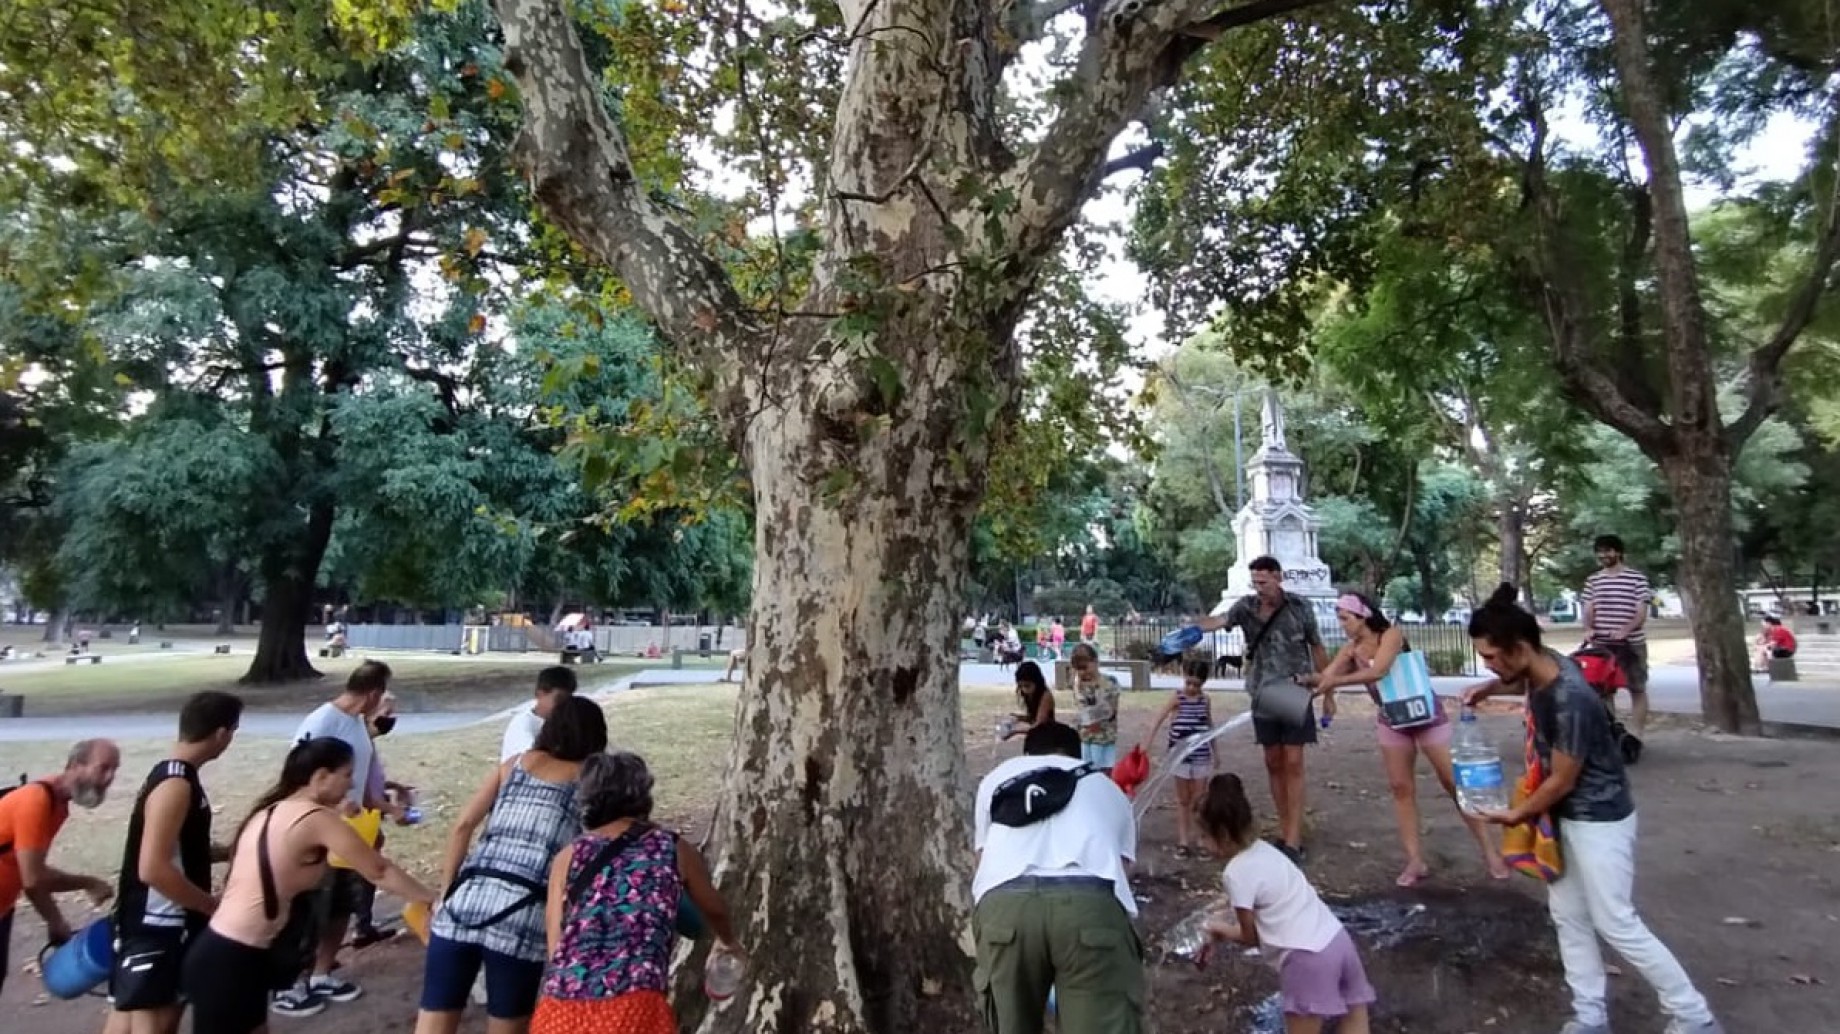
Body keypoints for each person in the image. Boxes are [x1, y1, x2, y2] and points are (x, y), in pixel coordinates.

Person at [1463, 584, 1725, 1034]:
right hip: (1564, 815)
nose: (1488, 663)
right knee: (1569, 916)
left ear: (1520, 648)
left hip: (1599, 819)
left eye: (1491, 657)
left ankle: (1694, 1016)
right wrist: (1488, 687)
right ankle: (1589, 1016)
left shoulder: (1571, 699)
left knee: (1617, 922)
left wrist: (1516, 815)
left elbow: (1562, 779)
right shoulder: (1545, 665)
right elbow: (1521, 679)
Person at [181, 739, 437, 1034]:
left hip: (228, 952)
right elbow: (379, 870)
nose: (352, 783)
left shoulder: (273, 810)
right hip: (231, 959)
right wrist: (432, 898)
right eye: (347, 774)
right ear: (321, 776)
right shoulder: (315, 819)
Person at [416, 696, 610, 1034]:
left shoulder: (514, 764)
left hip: (464, 903)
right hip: (524, 914)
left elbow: (463, 825)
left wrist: (447, 892)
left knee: (434, 1019)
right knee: (507, 1025)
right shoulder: (590, 783)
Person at [1302, 594, 1509, 885]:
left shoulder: (1391, 635)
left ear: (1363, 616)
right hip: (1392, 719)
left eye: (1345, 618)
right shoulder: (1351, 650)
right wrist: (1306, 681)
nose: (1341, 625)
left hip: (1425, 714)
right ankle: (1414, 860)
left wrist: (1335, 681)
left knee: (1453, 783)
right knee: (1401, 788)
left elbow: (1379, 670)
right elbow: (1326, 676)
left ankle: (1490, 853)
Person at [530, 753, 740, 1034]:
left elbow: (556, 943)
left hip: (560, 1009)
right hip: (634, 1008)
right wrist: (728, 941)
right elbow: (713, 908)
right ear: (643, 795)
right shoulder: (671, 848)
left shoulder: (567, 857)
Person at [971, 721, 1140, 1034]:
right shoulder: (1108, 788)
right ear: (1078, 756)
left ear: (1027, 753)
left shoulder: (997, 778)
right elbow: (1122, 867)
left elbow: (983, 857)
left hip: (1005, 908)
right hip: (1089, 908)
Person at [105, 693, 244, 1034]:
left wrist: (229, 851)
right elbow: (152, 867)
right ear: (221, 733)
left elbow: (178, 849)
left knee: (128, 1016)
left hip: (162, 922)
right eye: (233, 732)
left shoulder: (178, 777)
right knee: (154, 1021)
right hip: (159, 924)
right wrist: (209, 905)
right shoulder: (175, 785)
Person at [1196, 774, 1374, 1034]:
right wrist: (1226, 908)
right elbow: (1269, 895)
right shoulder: (1266, 850)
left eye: (1204, 836)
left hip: (1306, 957)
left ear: (1222, 834)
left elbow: (1250, 937)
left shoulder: (1234, 873)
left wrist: (1217, 929)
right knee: (1355, 1018)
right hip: (1337, 941)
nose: (1201, 843)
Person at [1196, 555, 1328, 864]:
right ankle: (1284, 825)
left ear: (1278, 578)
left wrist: (1328, 687)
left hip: (1294, 688)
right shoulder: (1246, 607)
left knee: (1293, 761)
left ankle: (1294, 838)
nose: (1259, 588)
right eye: (1255, 582)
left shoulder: (1300, 607)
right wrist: (1194, 627)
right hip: (1263, 690)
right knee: (1273, 761)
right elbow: (1220, 621)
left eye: (1264, 582)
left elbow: (1317, 646)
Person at [281, 659, 392, 1014]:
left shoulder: (359, 724)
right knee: (313, 906)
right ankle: (291, 984)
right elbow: (295, 775)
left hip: (350, 830)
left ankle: (321, 972)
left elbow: (362, 780)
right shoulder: (322, 722)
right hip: (319, 830)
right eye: (382, 695)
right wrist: (335, 803)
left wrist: (386, 806)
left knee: (342, 903)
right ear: (372, 693)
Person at [0, 739, 119, 998]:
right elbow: (33, 879)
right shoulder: (36, 801)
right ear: (75, 765)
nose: (109, 778)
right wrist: (57, 919)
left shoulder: (57, 805)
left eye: (114, 770)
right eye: (103, 768)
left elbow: (31, 871)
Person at [1139, 661, 1218, 857]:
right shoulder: (1177, 698)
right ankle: (1183, 841)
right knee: (1183, 799)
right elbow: (1158, 719)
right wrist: (1147, 742)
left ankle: (1201, 838)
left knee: (1199, 799)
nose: (1191, 688)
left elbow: (1210, 726)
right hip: (1180, 757)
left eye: (1196, 685)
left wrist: (1215, 751)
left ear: (1203, 683)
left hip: (1200, 756)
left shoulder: (1205, 700)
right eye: (1188, 683)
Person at [1582, 535, 1651, 736]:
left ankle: (1636, 735)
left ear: (1618, 552)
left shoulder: (1636, 578)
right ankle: (1611, 734)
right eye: (1600, 551)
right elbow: (1588, 608)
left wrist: (1625, 630)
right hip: (1602, 646)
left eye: (1608, 550)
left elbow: (1641, 611)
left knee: (1637, 688)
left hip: (1631, 644)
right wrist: (1588, 628)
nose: (1603, 555)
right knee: (1603, 691)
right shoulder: (1593, 580)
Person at [501, 666, 581, 762]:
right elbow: (536, 762)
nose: (563, 706)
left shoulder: (563, 721)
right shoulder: (522, 727)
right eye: (559, 700)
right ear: (539, 694)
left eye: (568, 701)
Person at [1068, 643, 1121, 773]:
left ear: (1095, 662)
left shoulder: (1110, 682)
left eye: (1085, 667)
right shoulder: (1078, 684)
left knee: (1104, 770)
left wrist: (1098, 717)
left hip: (1104, 736)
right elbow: (1080, 706)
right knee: (1087, 770)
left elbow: (1112, 709)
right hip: (1086, 736)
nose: (1082, 672)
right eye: (1078, 669)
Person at [1001, 661, 1056, 741]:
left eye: (1027, 686)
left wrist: (1015, 731)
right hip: (1037, 734)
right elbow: (1033, 718)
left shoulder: (1045, 696)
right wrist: (1019, 718)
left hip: (1046, 735)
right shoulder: (1031, 694)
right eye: (1021, 686)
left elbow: (1039, 725)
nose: (1024, 689)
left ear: (1036, 682)